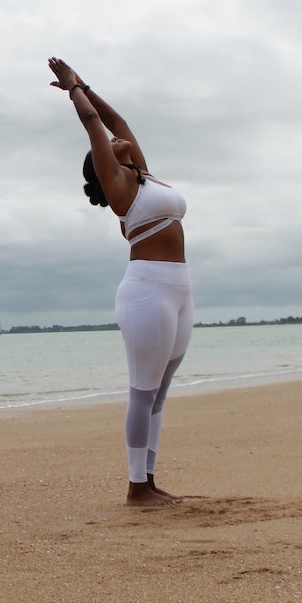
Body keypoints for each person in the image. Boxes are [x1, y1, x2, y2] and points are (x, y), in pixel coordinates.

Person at [48, 57, 193, 507]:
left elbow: (117, 120)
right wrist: (74, 91)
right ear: (104, 162)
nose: (115, 139)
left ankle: (149, 480)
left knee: (160, 395)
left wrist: (88, 84)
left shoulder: (143, 176)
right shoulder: (120, 187)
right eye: (108, 144)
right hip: (147, 290)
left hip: (179, 288)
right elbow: (94, 123)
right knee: (143, 390)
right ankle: (136, 489)